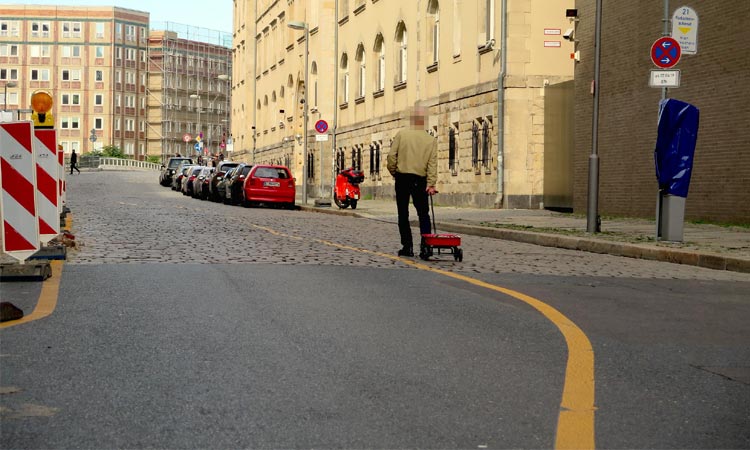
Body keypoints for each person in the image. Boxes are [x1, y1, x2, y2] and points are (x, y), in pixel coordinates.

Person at [387, 105, 437, 257]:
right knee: (423, 213)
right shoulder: (430, 140)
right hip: (420, 180)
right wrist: (431, 183)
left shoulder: (402, 135)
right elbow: (432, 164)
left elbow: (391, 156)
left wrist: (394, 171)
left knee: (403, 213)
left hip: (402, 178)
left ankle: (407, 246)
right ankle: (426, 246)